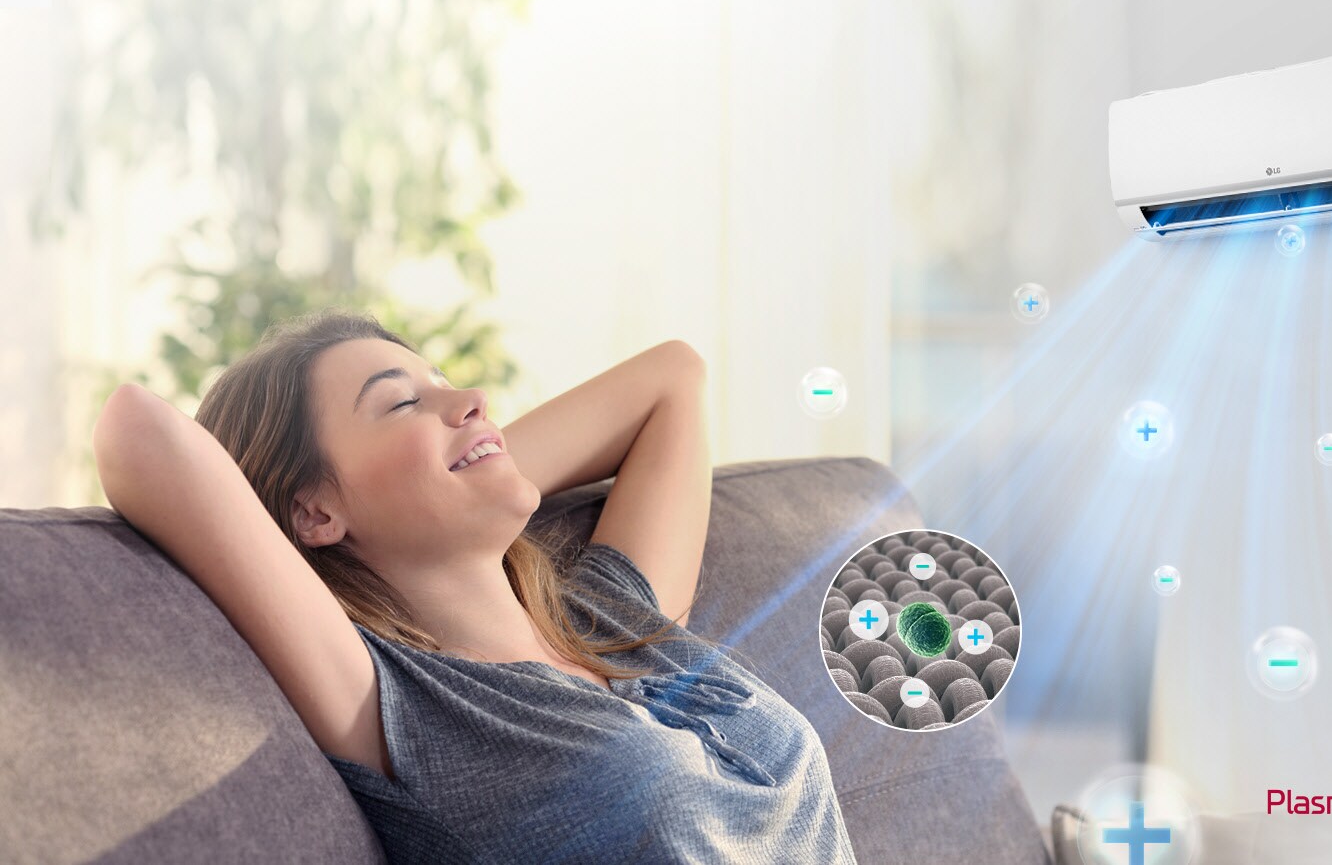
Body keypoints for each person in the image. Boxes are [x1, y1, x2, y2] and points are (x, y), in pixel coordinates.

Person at [91, 307, 857, 864]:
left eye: (449, 384)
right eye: (400, 402)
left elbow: (673, 377)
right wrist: (454, 470)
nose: (472, 401)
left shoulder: (611, 618)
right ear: (313, 510)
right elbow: (136, 431)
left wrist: (466, 455)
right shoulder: (402, 701)